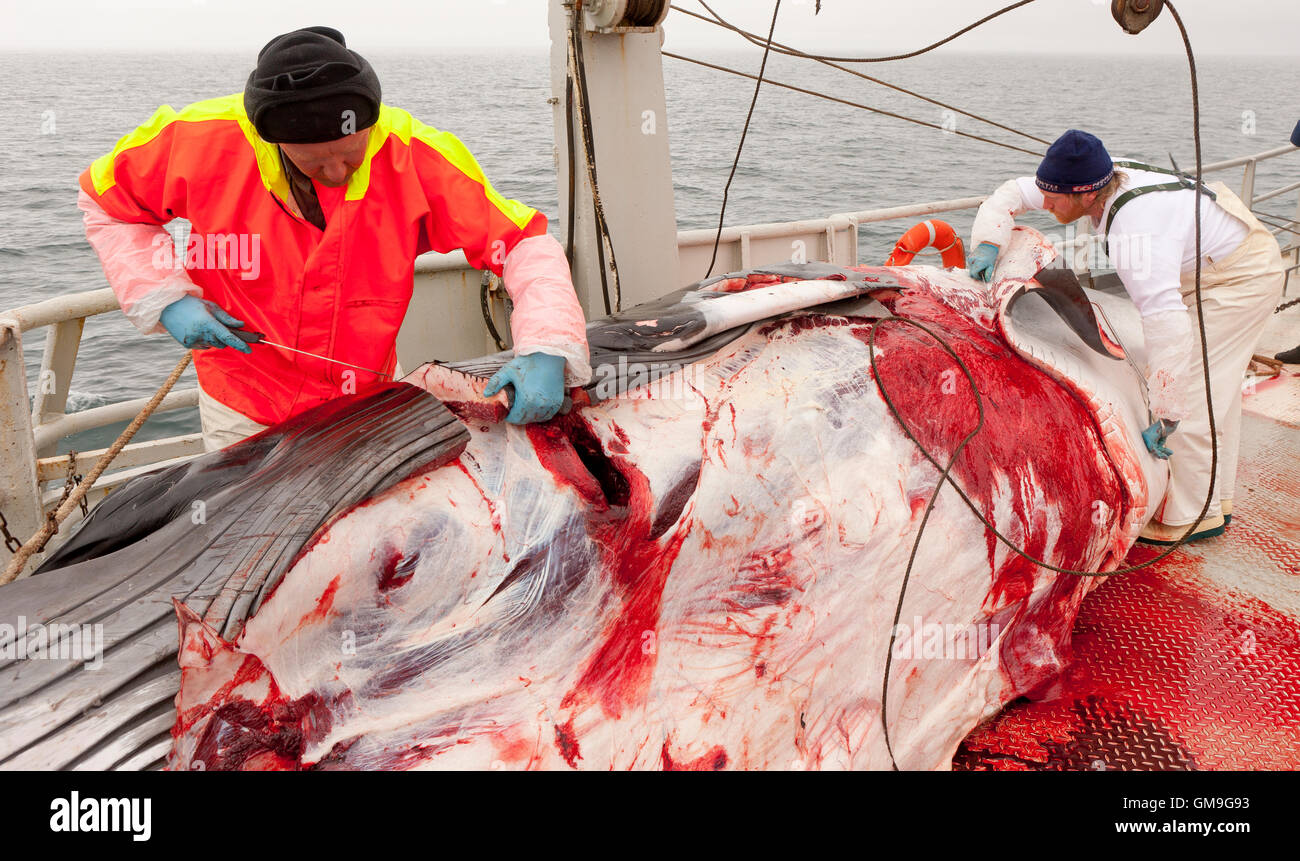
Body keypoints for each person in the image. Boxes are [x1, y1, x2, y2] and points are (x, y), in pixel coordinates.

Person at [79, 26, 590, 450]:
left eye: (350, 154)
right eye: (313, 159)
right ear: (271, 138)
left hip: (365, 398)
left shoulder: (416, 156)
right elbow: (106, 202)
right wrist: (164, 297)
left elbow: (523, 242)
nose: (335, 171)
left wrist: (547, 345)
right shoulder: (195, 140)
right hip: (243, 401)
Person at [968, 129, 1285, 544]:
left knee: (1194, 396)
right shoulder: (1088, 179)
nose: (1044, 204)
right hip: (1217, 265)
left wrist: (1166, 411)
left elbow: (1165, 323)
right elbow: (1010, 193)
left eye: (1054, 198)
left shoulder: (1133, 232)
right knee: (1216, 396)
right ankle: (1216, 499)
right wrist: (989, 241)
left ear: (1085, 197)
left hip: (1238, 281)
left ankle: (1191, 518)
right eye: (1043, 191)